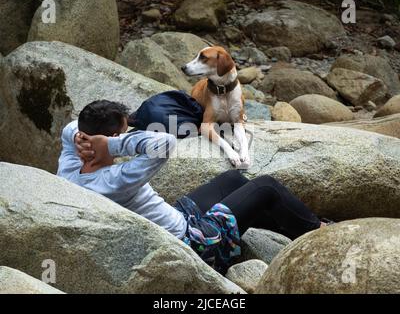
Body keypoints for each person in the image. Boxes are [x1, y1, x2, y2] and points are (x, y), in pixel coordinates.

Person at [57, 100, 330, 273]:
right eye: (126, 133)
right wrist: (113, 146)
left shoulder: (69, 168)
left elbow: (69, 128)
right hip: (194, 241)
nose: (130, 136)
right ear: (113, 138)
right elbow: (165, 143)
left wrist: (85, 138)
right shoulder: (115, 180)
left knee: (233, 179)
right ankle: (320, 235)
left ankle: (286, 228)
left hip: (178, 215)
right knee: (266, 187)